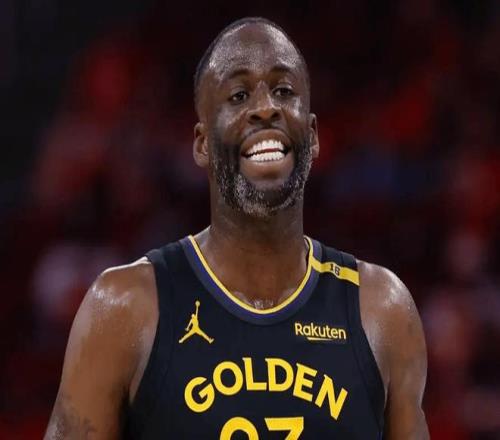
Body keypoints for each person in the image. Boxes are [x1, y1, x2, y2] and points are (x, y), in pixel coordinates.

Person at [45, 17, 429, 439]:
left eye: (284, 91)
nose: (265, 108)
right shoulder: (124, 309)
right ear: (202, 144)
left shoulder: (382, 310)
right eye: (239, 95)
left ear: (314, 135)